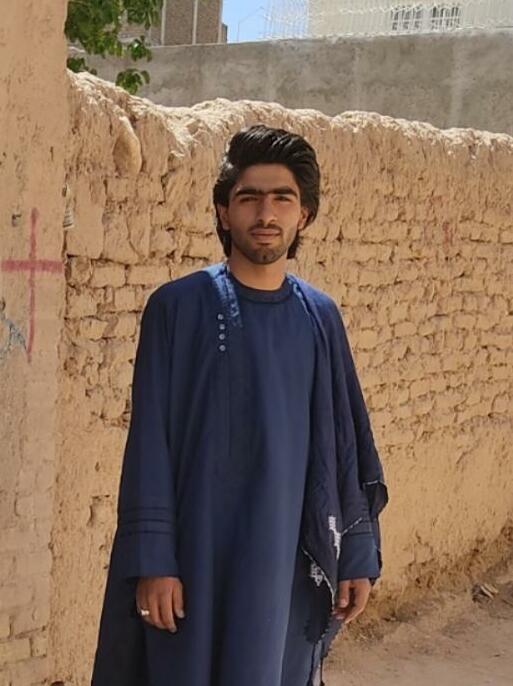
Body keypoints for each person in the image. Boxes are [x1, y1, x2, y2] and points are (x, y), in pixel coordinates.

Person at [91, 124, 388, 686]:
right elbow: (150, 441)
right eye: (249, 198)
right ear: (224, 213)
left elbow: (344, 445)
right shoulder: (176, 308)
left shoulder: (320, 318)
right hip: (195, 555)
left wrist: (354, 553)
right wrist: (154, 560)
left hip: (284, 560)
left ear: (304, 215)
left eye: (282, 198)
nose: (265, 213)